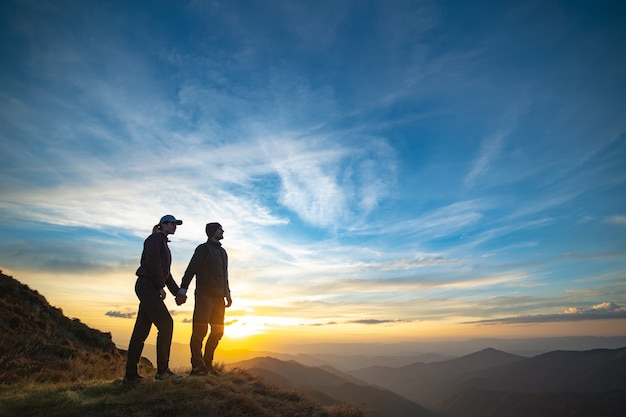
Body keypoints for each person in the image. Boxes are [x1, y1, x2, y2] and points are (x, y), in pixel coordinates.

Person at [123, 215, 185, 384]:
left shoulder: (162, 243)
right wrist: (159, 286)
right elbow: (152, 264)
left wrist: (177, 292)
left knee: (140, 332)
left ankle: (130, 376)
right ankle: (162, 372)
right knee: (166, 324)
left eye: (176, 224)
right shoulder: (154, 239)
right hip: (147, 286)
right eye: (172, 223)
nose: (175, 226)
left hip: (149, 286)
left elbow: (166, 273)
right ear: (163, 225)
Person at [176, 222, 232, 376]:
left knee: (218, 331)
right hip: (204, 295)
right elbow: (191, 270)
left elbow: (224, 275)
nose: (223, 231)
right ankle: (197, 366)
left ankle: (208, 364)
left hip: (219, 297)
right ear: (213, 231)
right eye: (220, 229)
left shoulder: (222, 252)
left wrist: (227, 293)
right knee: (200, 331)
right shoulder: (203, 249)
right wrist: (182, 290)